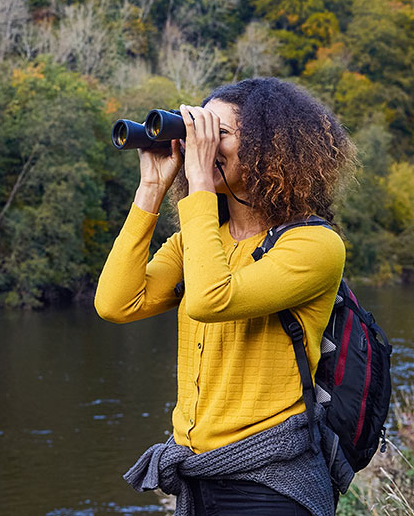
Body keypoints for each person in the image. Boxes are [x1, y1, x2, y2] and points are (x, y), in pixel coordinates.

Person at [94, 78, 358, 516]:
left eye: (218, 133)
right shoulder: (201, 241)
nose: (201, 143)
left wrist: (197, 178)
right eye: (197, 130)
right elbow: (117, 303)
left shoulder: (314, 246)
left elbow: (209, 300)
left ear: (269, 149)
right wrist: (151, 189)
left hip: (272, 482)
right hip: (200, 475)